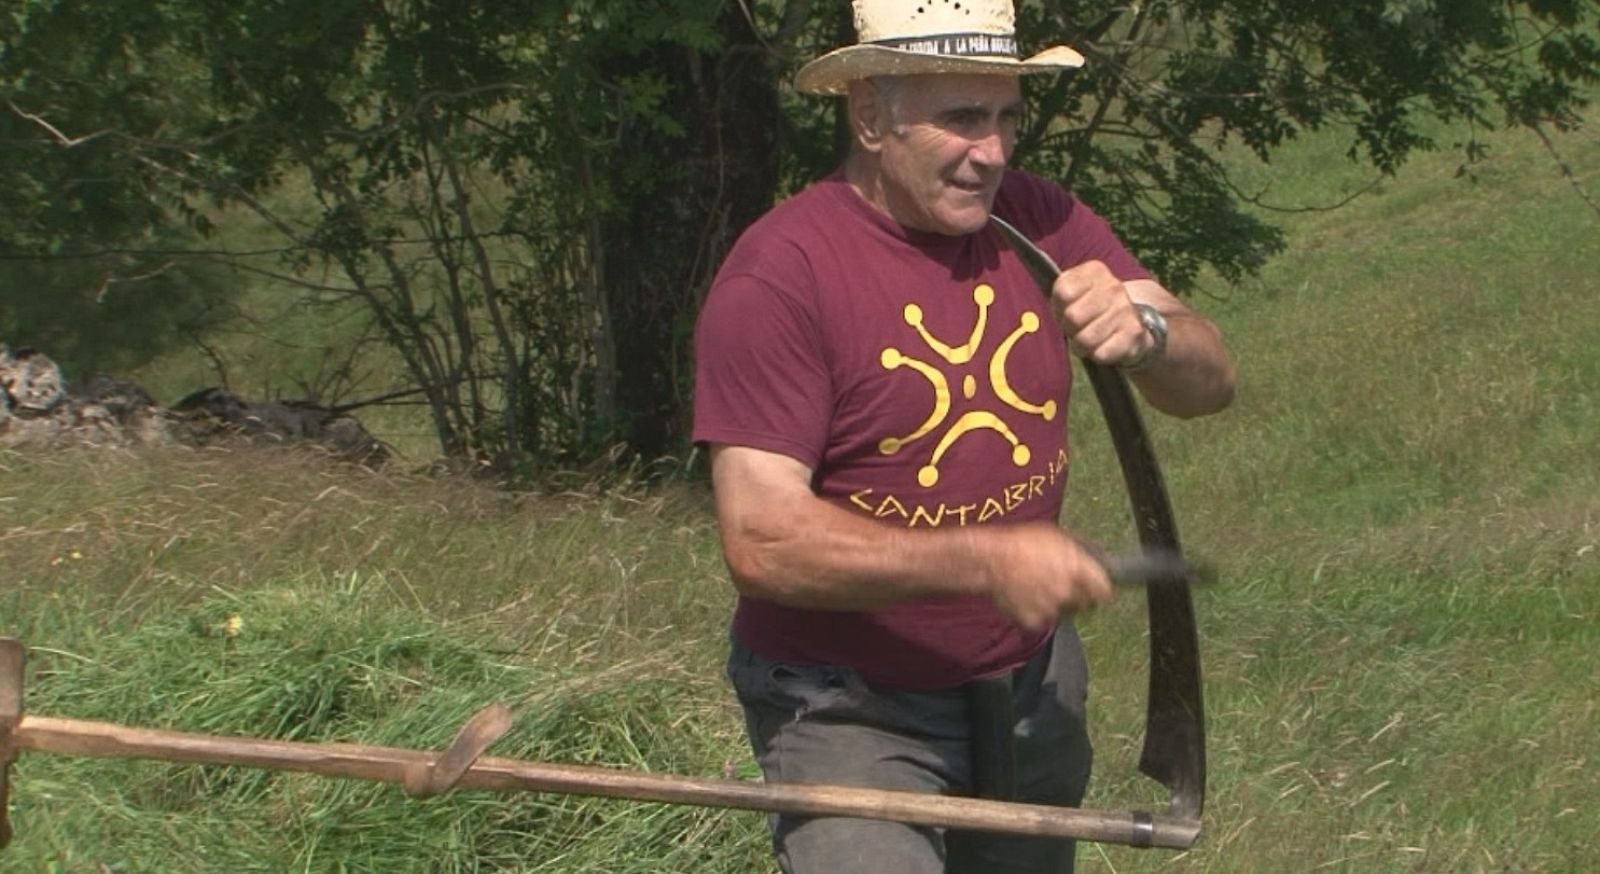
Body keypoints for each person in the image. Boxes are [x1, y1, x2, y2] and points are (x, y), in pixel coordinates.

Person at [691, 1, 1235, 871]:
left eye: (1007, 118)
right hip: (848, 711)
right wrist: (985, 561)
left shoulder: (1038, 222)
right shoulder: (781, 276)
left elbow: (1212, 383)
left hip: (1025, 686)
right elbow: (761, 540)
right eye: (962, 119)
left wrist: (1151, 336)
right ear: (871, 116)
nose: (994, 152)